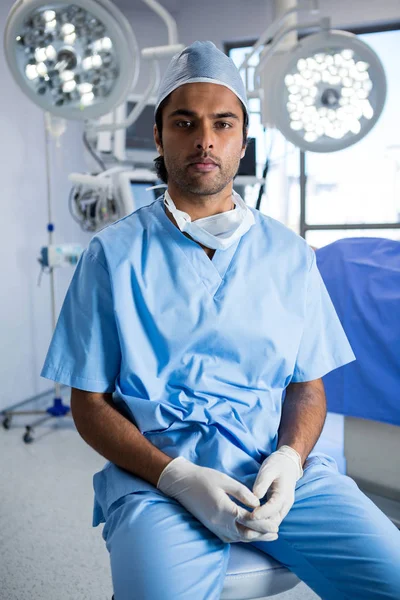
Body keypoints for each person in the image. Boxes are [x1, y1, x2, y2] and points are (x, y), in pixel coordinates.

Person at [41, 41, 400, 600]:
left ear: (243, 139)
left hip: (283, 476)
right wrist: (174, 476)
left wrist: (289, 458)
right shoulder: (111, 255)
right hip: (158, 481)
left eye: (222, 123)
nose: (205, 139)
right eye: (184, 123)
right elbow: (88, 404)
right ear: (159, 137)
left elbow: (307, 386)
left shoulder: (289, 255)